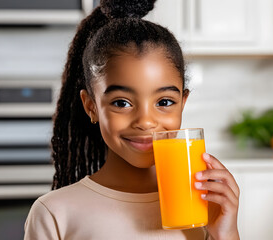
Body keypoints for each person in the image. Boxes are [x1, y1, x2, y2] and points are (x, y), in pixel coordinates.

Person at [24, 0, 240, 239]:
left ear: (183, 103)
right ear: (91, 106)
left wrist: (227, 233)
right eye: (121, 103)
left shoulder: (205, 207)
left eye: (164, 102)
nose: (146, 121)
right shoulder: (54, 213)